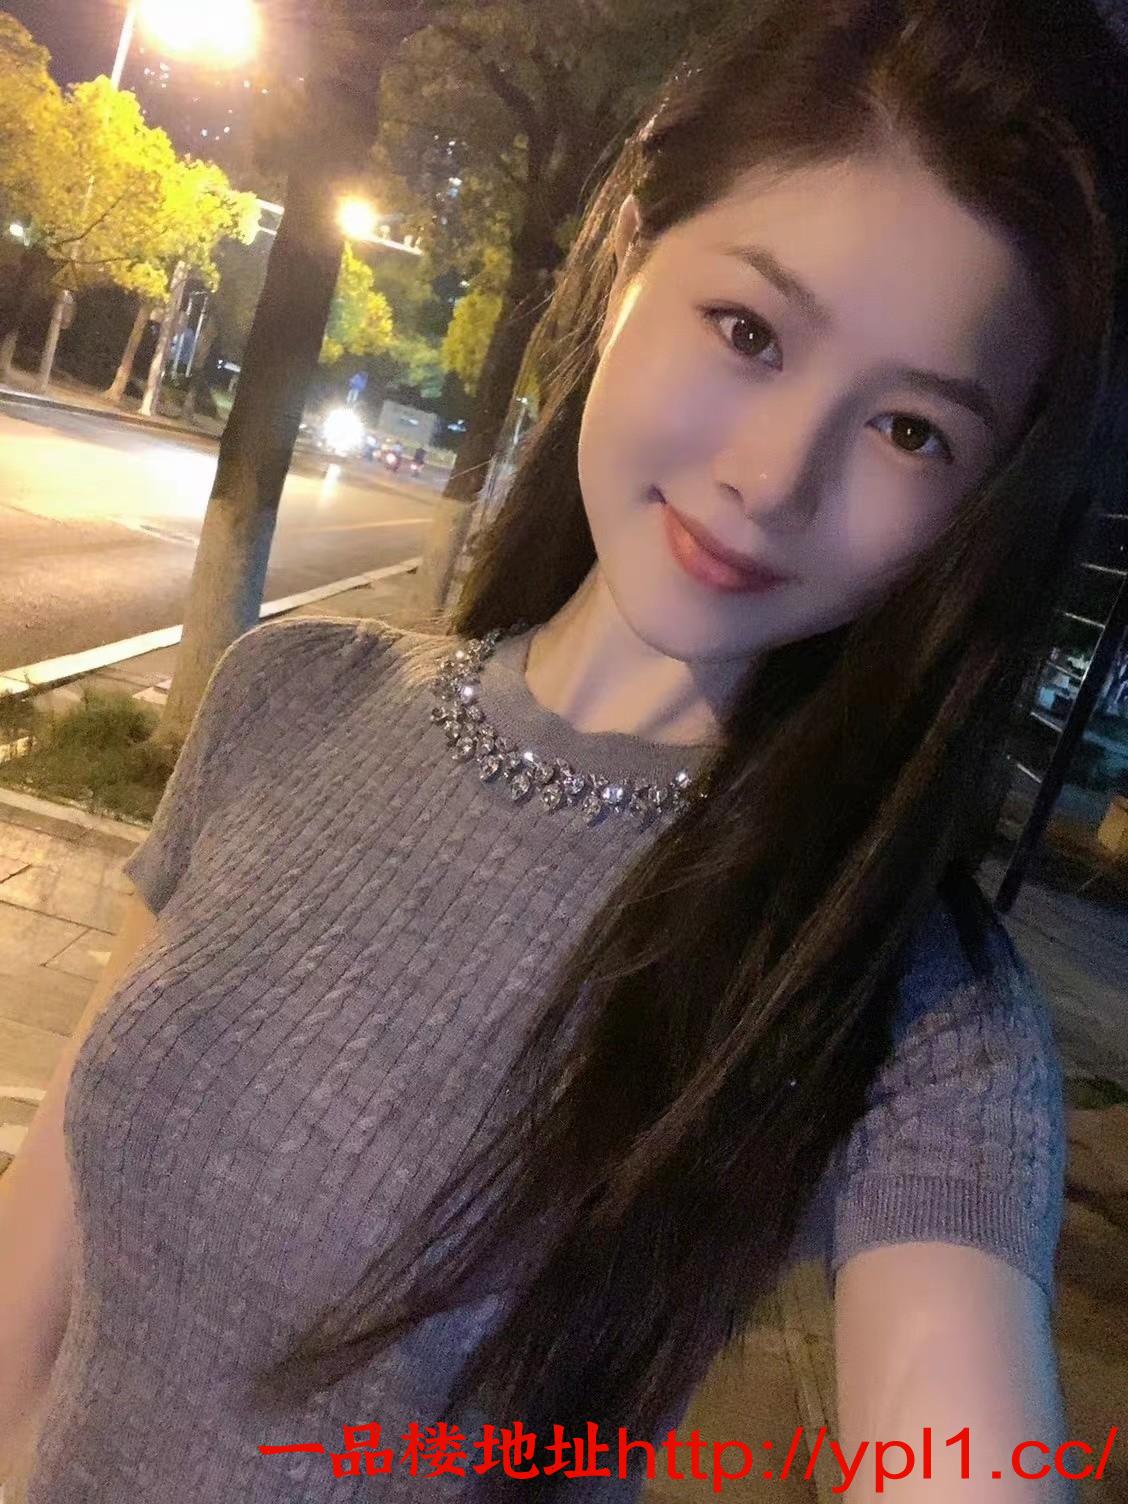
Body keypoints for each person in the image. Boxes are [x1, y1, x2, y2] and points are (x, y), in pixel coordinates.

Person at [2, 1, 1125, 1499]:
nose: (769, 478)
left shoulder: (903, 1003)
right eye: (750, 331)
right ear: (627, 254)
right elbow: (37, 1268)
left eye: (912, 430)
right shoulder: (291, 700)